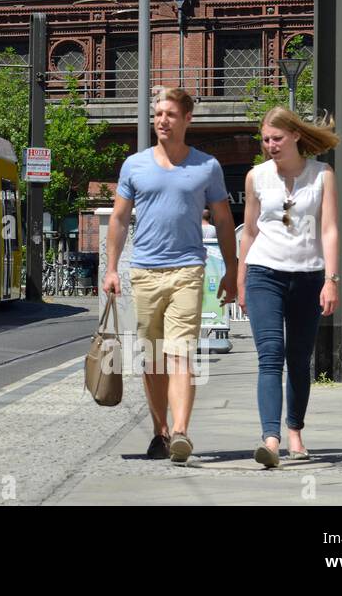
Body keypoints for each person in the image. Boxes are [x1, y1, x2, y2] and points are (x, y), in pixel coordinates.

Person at [103, 88, 237, 464]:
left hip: (187, 271)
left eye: (170, 114)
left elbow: (224, 220)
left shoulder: (206, 166)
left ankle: (181, 432)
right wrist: (112, 268)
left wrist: (232, 269)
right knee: (152, 359)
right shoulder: (135, 165)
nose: (162, 120)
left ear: (187, 119)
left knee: (180, 354)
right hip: (144, 272)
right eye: (158, 113)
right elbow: (118, 219)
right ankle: (159, 433)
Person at [236, 106, 341, 469]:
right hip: (264, 272)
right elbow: (248, 232)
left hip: (309, 276)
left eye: (277, 138)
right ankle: (271, 439)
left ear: (295, 135)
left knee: (298, 359)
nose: (270, 146)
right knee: (270, 354)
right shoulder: (255, 178)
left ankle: (294, 430)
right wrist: (241, 281)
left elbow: (329, 229)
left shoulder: (322, 175)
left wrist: (331, 279)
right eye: (265, 140)